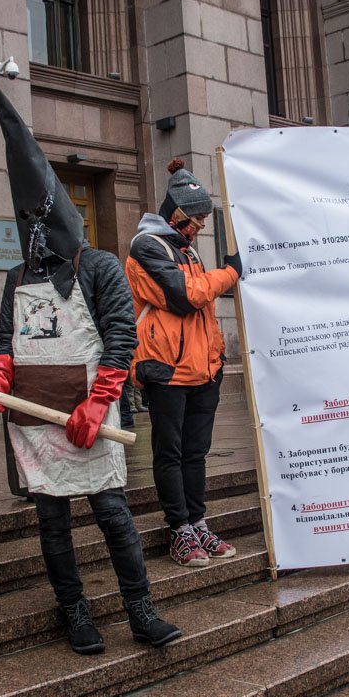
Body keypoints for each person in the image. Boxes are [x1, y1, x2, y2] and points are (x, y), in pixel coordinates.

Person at [0, 83, 179, 655]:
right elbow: (6, 339)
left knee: (114, 512)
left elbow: (120, 334)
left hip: (91, 409)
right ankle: (76, 614)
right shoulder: (16, 278)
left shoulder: (102, 267)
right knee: (52, 522)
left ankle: (141, 612)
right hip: (36, 417)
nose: (39, 239)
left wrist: (101, 398)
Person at [126, 157, 241, 567]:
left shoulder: (186, 251)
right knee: (170, 453)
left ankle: (197, 523)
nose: (201, 226)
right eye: (197, 219)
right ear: (177, 215)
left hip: (202, 371)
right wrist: (229, 274)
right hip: (167, 371)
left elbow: (198, 302)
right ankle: (179, 529)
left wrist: (217, 358)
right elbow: (184, 295)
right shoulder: (147, 247)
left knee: (195, 453)